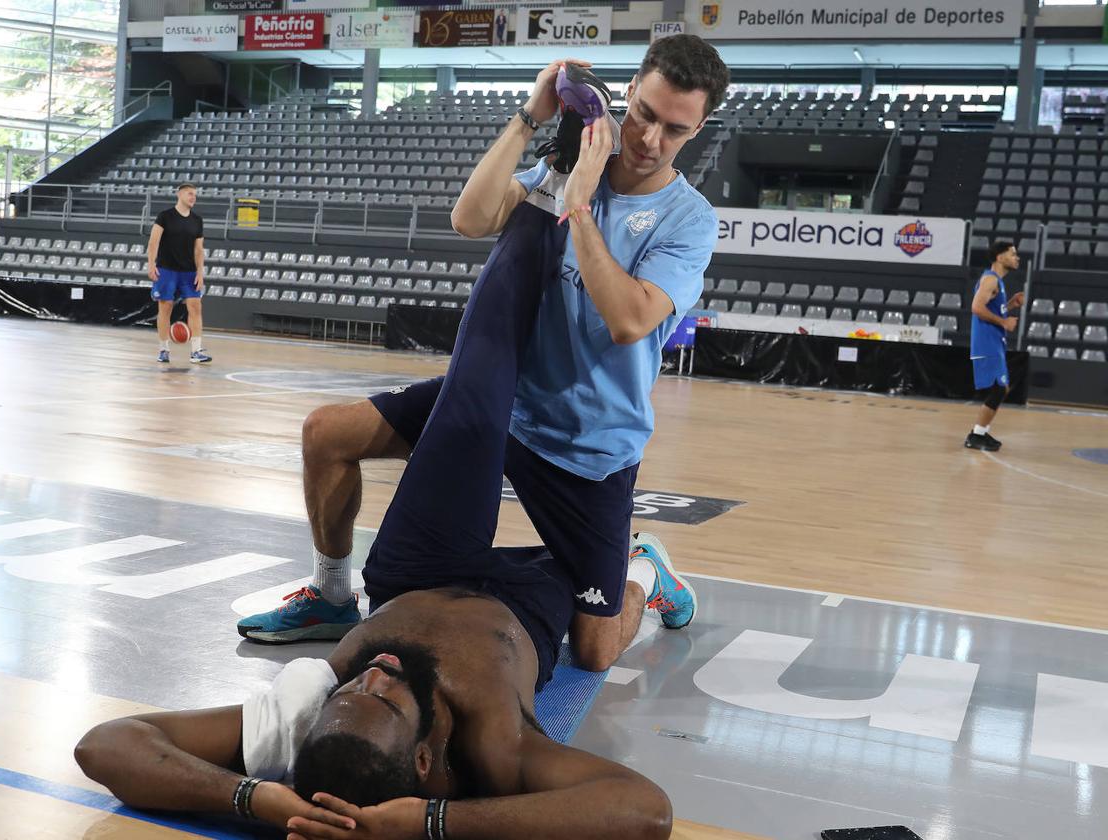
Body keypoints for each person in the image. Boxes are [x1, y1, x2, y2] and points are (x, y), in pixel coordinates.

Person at [75, 200, 674, 840]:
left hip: (419, 571)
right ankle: (650, 573)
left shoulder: (301, 723)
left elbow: (106, 745)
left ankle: (540, 202)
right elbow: (644, 812)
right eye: (385, 698)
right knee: (597, 645)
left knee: (477, 394)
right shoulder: (496, 750)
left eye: (347, 690)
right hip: (526, 604)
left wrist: (252, 798)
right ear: (425, 757)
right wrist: (436, 823)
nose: (375, 670)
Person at [236, 36, 730, 674]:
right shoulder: (562, 167)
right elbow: (469, 218)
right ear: (628, 93)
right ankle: (333, 596)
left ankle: (643, 570)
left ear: (699, 128)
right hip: (503, 406)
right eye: (644, 115)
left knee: (594, 650)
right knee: (327, 433)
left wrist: (579, 205)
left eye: (674, 129)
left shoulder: (688, 220)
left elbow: (630, 319)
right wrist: (531, 118)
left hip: (587, 445)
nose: (650, 139)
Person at [965, 240, 1023, 452]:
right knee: (999, 388)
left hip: (993, 343)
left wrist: (1009, 306)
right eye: (1013, 254)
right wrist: (1004, 322)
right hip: (986, 343)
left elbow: (991, 308)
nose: (1017, 258)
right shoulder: (990, 280)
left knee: (1002, 388)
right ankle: (975, 435)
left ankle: (980, 432)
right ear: (1000, 257)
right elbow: (976, 308)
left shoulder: (996, 281)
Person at [147, 182, 211, 364]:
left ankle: (196, 351)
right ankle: (163, 350)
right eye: (190, 194)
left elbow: (199, 249)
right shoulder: (165, 216)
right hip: (167, 270)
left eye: (195, 195)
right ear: (180, 195)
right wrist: (151, 264)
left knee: (195, 307)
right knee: (165, 308)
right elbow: (153, 242)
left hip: (189, 272)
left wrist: (200, 272)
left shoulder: (197, 220)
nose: (193, 197)